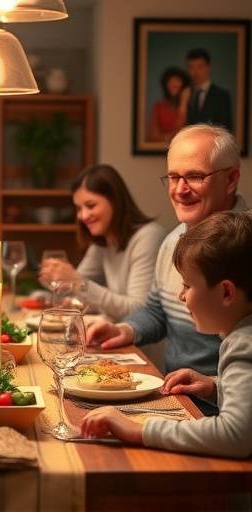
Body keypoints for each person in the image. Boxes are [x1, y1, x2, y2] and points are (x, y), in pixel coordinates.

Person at [86, 124, 248, 415]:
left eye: (195, 176)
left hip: (226, 414)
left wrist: (214, 386)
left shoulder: (247, 246)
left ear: (231, 179)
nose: (180, 190)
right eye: (173, 177)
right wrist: (125, 329)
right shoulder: (173, 240)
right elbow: (156, 310)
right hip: (176, 399)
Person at [80, 211, 252, 459]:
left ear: (226, 293)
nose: (181, 296)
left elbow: (236, 435)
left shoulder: (243, 345)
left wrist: (140, 430)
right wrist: (215, 387)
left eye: (187, 286)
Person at [39, 164, 166, 321]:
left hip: (141, 344)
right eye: (78, 208)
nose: (83, 216)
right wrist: (55, 280)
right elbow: (77, 291)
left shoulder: (148, 237)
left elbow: (138, 310)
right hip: (115, 336)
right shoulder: (103, 242)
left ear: (115, 200)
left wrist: (75, 280)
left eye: (91, 205)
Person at [186, 48, 232, 132]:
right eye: (191, 67)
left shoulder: (221, 95)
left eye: (200, 66)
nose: (195, 72)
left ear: (208, 67)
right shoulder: (185, 94)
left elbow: (226, 129)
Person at [147, 66, 191, 142]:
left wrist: (183, 102)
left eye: (178, 80)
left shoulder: (191, 106)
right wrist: (169, 137)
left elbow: (184, 132)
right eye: (170, 81)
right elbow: (152, 136)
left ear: (184, 85)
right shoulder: (159, 106)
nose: (173, 84)